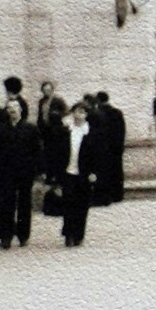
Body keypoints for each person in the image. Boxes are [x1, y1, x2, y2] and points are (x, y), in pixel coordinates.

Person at [0, 106, 37, 248]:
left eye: (15, 108)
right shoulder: (0, 130)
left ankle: (23, 235)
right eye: (9, 108)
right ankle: (6, 236)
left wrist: (36, 170)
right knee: (6, 205)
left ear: (20, 110)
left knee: (24, 204)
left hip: (25, 172)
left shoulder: (30, 128)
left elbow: (37, 150)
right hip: (6, 173)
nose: (12, 111)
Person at [52, 101, 95, 246]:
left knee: (82, 205)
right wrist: (57, 176)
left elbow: (99, 155)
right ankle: (68, 234)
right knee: (68, 203)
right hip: (68, 172)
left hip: (84, 174)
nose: (79, 115)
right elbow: (58, 154)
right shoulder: (66, 131)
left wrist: (94, 172)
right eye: (77, 111)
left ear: (87, 115)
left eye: (83, 112)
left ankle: (79, 234)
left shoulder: (90, 132)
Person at [90, 92, 128, 205]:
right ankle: (118, 195)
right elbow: (122, 131)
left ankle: (106, 195)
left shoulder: (98, 114)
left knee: (104, 172)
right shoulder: (117, 112)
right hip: (116, 148)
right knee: (117, 171)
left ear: (98, 101)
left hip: (103, 149)